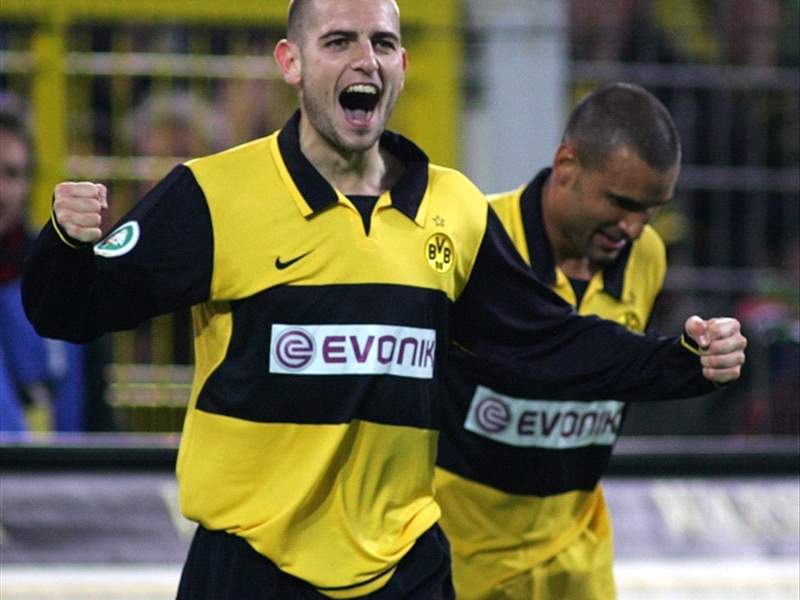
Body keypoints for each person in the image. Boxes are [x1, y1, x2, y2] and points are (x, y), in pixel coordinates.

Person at [21, 1, 746, 598]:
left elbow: (543, 341)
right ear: (291, 63)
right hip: (251, 569)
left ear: (402, 66)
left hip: (404, 568)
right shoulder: (213, 196)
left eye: (383, 42)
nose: (364, 59)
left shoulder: (454, 209)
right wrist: (63, 240)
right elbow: (68, 312)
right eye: (338, 41)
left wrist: (679, 362)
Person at [434, 82, 708, 599]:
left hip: (580, 569)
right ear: (567, 167)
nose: (633, 227)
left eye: (650, 209)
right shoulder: (477, 240)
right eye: (622, 202)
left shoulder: (647, 256)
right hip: (461, 566)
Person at [0, 98, 111, 433]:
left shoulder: (65, 275)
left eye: (12, 173)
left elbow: (97, 413)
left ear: (29, 182)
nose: (1, 191)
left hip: (55, 479)